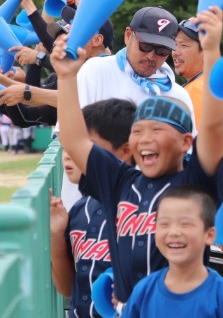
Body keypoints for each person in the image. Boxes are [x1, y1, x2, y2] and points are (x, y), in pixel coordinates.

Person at [51, 6, 223, 307]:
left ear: (187, 142)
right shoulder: (120, 180)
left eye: (157, 130)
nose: (145, 139)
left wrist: (211, 53)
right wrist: (67, 77)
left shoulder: (194, 183)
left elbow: (212, 127)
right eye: (138, 131)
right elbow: (74, 138)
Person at [60, 5, 196, 210]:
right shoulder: (96, 70)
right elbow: (70, 133)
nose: (151, 56)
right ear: (128, 35)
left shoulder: (178, 95)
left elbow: (189, 157)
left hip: (145, 215)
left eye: (162, 51)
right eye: (145, 46)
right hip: (86, 206)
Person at [49, 98, 135, 318]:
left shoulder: (142, 210)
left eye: (86, 146)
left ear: (126, 151)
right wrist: (56, 235)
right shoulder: (80, 208)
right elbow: (67, 289)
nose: (70, 154)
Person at [122, 185, 223, 318]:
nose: (174, 232)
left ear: (210, 234)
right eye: (165, 223)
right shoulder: (143, 293)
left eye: (185, 224)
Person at [173, 18, 223, 155]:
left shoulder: (197, 90)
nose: (175, 52)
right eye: (175, 44)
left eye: (183, 46)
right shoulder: (214, 84)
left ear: (204, 52)